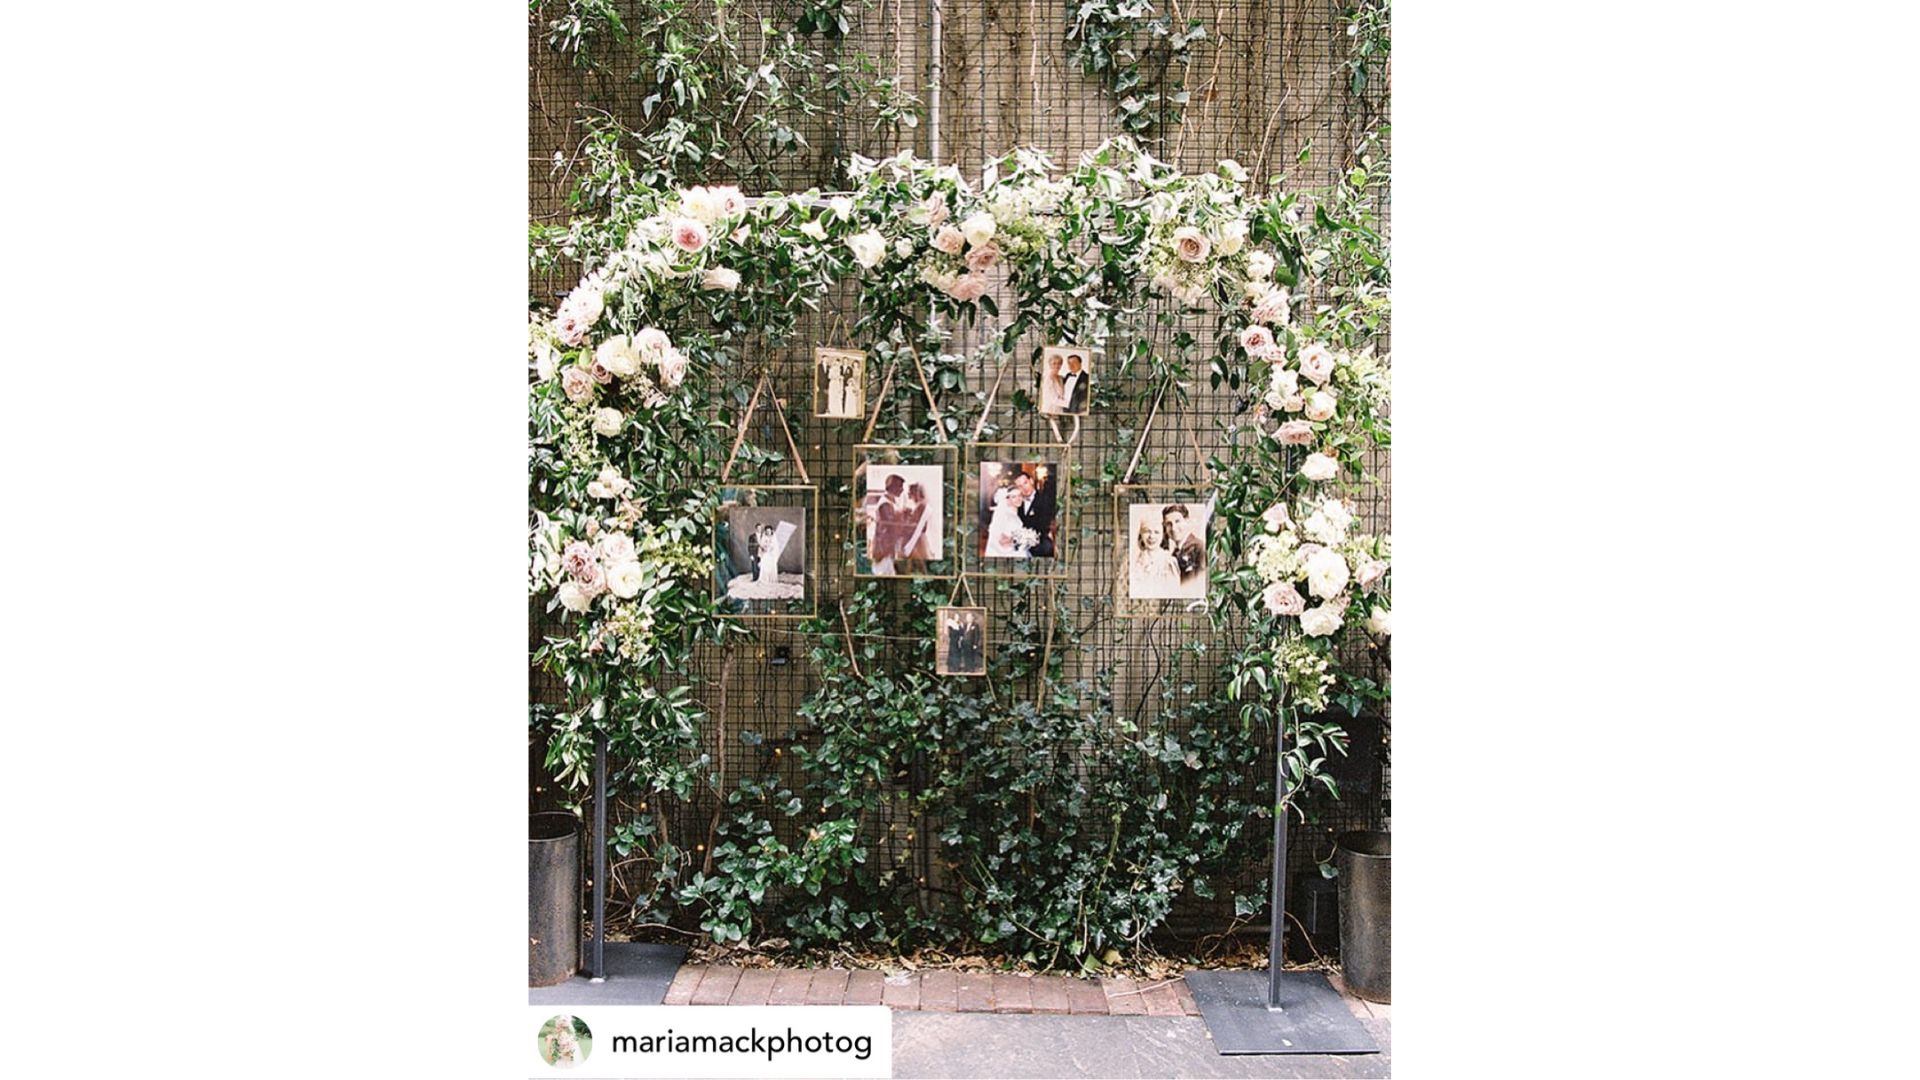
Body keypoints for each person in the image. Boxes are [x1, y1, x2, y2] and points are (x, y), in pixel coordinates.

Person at [1129, 516, 1181, 597]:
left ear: (1163, 535)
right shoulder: (1134, 561)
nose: (1151, 536)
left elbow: (1173, 592)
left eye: (1156, 532)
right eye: (1147, 531)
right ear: (1141, 534)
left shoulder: (1169, 562)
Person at [867, 473, 908, 574]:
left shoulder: (892, 501)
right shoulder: (885, 504)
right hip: (884, 550)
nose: (902, 490)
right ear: (892, 487)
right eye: (900, 486)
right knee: (883, 573)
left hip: (888, 550)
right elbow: (891, 526)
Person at [1013, 471, 1056, 558]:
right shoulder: (1017, 503)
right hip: (1020, 541)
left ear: (1031, 481)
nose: (1024, 488)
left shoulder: (1044, 499)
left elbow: (1044, 524)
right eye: (1020, 486)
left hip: (1040, 541)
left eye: (1025, 483)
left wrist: (1028, 537)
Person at [984, 478, 1031, 558]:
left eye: (1019, 496)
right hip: (1005, 553)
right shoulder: (1002, 513)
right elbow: (1000, 540)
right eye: (1014, 497)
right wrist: (1017, 540)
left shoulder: (1016, 512)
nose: (1018, 499)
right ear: (1008, 499)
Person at [1163, 503, 1204, 583]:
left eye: (1177, 521)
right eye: (1169, 524)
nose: (1173, 528)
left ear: (1187, 521)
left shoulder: (1199, 547)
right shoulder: (1173, 554)